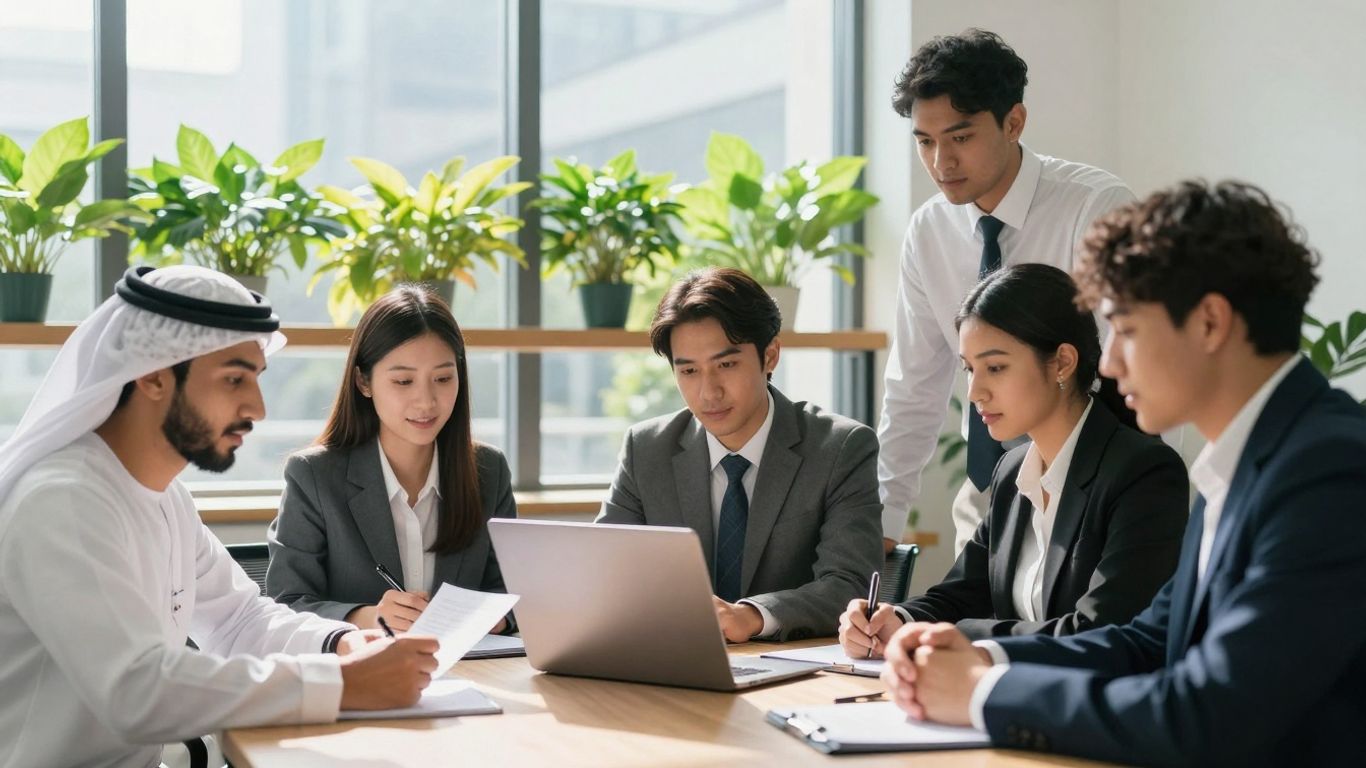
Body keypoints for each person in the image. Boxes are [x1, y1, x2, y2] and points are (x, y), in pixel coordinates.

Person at [882, 181, 1366, 766]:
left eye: (1127, 331)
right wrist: (983, 659)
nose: (1107, 362)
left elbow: (1211, 713)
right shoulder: (1242, 464)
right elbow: (1149, 642)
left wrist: (983, 694)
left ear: (1210, 322)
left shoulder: (1329, 470)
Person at [0, 266, 438, 768]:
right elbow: (137, 692)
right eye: (234, 379)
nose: (257, 406)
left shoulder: (166, 499)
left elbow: (238, 619)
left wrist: (340, 643)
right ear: (153, 376)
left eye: (255, 378)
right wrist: (343, 685)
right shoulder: (62, 502)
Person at [839, 264, 1187, 657]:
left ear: (1062, 363)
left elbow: (1100, 631)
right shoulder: (1011, 472)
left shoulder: (1144, 474)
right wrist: (897, 621)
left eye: (995, 368)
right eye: (969, 369)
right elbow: (962, 594)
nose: (974, 392)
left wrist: (961, 637)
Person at [878, 28, 1137, 554]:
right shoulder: (929, 231)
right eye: (925, 142)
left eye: (961, 137)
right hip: (985, 502)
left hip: (1095, 497)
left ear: (1013, 122)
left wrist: (1132, 498)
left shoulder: (1095, 208)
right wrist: (879, 528)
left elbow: (1132, 367)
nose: (940, 163)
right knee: (967, 631)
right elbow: (914, 389)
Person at [598, 267, 882, 642]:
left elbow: (848, 586)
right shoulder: (646, 449)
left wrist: (751, 616)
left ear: (770, 356)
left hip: (789, 673)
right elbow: (603, 574)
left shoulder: (840, 448)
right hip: (672, 663)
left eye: (726, 365)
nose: (708, 392)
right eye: (689, 371)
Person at [267, 285, 515, 633]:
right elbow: (286, 605)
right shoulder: (313, 476)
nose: (426, 401)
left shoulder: (489, 471)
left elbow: (513, 595)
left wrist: (495, 619)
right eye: (403, 381)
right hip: (362, 677)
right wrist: (366, 617)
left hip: (473, 675)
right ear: (363, 381)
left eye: (443, 378)